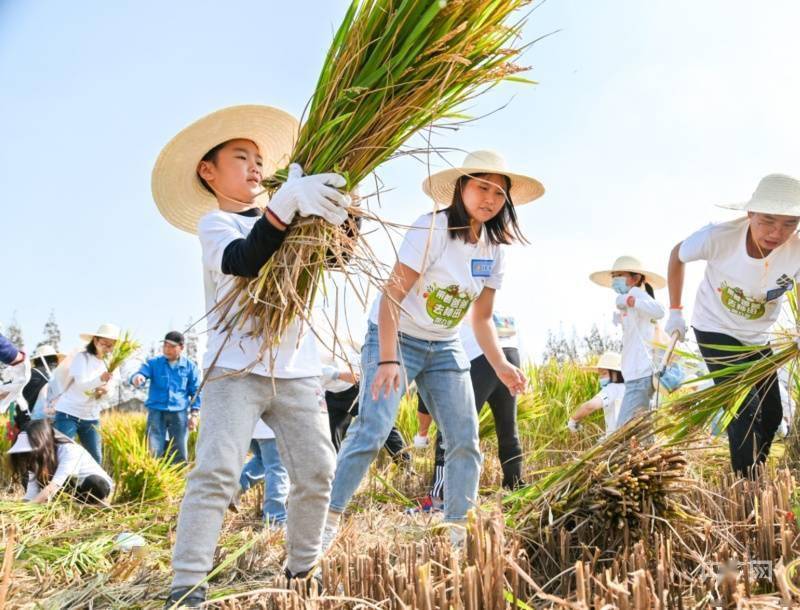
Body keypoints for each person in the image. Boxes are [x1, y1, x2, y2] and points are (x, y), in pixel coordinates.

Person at [151, 105, 351, 607]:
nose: (256, 167)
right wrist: (285, 205)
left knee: (317, 471)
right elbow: (246, 260)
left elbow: (338, 256)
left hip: (299, 370)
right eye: (241, 157)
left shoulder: (294, 218)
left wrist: (343, 216)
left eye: (260, 159)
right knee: (216, 471)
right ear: (208, 170)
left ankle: (303, 567)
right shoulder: (216, 224)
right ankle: (187, 585)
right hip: (234, 371)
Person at [324, 150, 541, 549]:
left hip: (444, 345)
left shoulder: (495, 250)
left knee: (464, 437)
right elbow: (391, 297)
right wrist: (388, 358)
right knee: (373, 428)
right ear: (461, 188)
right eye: (482, 187)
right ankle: (327, 519)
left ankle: (457, 530)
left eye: (499, 193)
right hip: (396, 336)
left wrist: (502, 366)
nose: (490, 199)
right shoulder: (433, 229)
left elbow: (481, 319)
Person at [666, 173, 800, 476]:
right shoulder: (718, 237)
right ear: (750, 213)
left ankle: (756, 474)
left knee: (772, 414)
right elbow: (678, 254)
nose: (777, 233)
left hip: (757, 336)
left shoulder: (796, 250)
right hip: (716, 329)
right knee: (745, 407)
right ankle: (746, 483)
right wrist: (675, 310)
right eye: (768, 220)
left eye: (790, 223)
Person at [417, 312, 526, 513]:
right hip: (511, 353)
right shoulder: (492, 290)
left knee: (450, 429)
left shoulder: (462, 289)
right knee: (508, 429)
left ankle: (438, 498)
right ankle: (516, 488)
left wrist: (421, 432)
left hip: (480, 355)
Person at [589, 256, 665, 428]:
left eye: (619, 275)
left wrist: (634, 301)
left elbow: (660, 311)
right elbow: (620, 302)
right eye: (614, 275)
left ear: (636, 278)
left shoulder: (636, 294)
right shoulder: (628, 297)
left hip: (640, 373)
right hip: (636, 373)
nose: (615, 279)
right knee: (640, 429)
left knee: (624, 429)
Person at [52, 323, 120, 464]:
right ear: (95, 340)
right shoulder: (82, 358)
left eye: (111, 345)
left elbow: (111, 390)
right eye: (104, 344)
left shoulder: (113, 364)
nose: (107, 348)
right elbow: (82, 384)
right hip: (68, 413)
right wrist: (100, 379)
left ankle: (91, 486)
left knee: (95, 458)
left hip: (91, 416)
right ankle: (53, 484)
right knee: (61, 453)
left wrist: (105, 391)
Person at [131, 331, 201, 463]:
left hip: (179, 412)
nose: (167, 349)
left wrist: (195, 414)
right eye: (165, 345)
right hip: (156, 411)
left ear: (181, 347)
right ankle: (153, 477)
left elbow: (196, 391)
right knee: (153, 447)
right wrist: (137, 378)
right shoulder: (154, 363)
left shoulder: (190, 367)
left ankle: (179, 478)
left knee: (179, 448)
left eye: (172, 346)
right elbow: (141, 373)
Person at [8, 419, 114, 505]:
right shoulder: (36, 459)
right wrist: (19, 509)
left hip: (94, 487)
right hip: (71, 491)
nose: (27, 457)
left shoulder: (69, 450)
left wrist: (31, 505)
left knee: (94, 482)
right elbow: (31, 494)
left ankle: (95, 504)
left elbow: (53, 487)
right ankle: (74, 505)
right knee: (43, 482)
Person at [234, 420, 289, 527]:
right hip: (271, 427)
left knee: (263, 460)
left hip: (250, 425)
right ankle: (275, 521)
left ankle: (235, 486)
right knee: (277, 468)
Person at [567, 351, 625, 437]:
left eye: (604, 373)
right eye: (599, 374)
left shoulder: (612, 388)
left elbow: (590, 405)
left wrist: (573, 420)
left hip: (620, 439)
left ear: (616, 373)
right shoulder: (629, 388)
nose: (601, 378)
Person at [24, 345, 65, 421]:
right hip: (59, 419)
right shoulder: (60, 374)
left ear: (37, 360)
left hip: (36, 422)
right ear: (55, 359)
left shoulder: (30, 374)